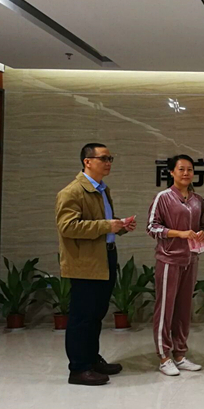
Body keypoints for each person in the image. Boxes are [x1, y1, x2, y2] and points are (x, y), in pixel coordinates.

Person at [55, 143, 136, 386]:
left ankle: (91, 359)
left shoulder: (102, 189)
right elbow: (67, 227)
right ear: (87, 161)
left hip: (105, 256)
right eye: (103, 158)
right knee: (82, 316)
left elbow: (101, 223)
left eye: (110, 158)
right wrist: (106, 226)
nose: (108, 163)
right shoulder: (72, 192)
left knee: (96, 313)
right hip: (85, 262)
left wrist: (119, 226)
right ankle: (79, 368)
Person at [146, 154, 204, 376]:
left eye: (189, 169)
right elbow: (152, 227)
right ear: (171, 172)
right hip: (169, 260)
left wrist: (202, 233)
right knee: (165, 309)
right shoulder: (163, 198)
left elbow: (203, 225)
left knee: (183, 309)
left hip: (191, 259)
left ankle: (180, 354)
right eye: (181, 169)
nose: (186, 173)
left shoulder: (197, 200)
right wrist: (178, 233)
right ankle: (164, 357)